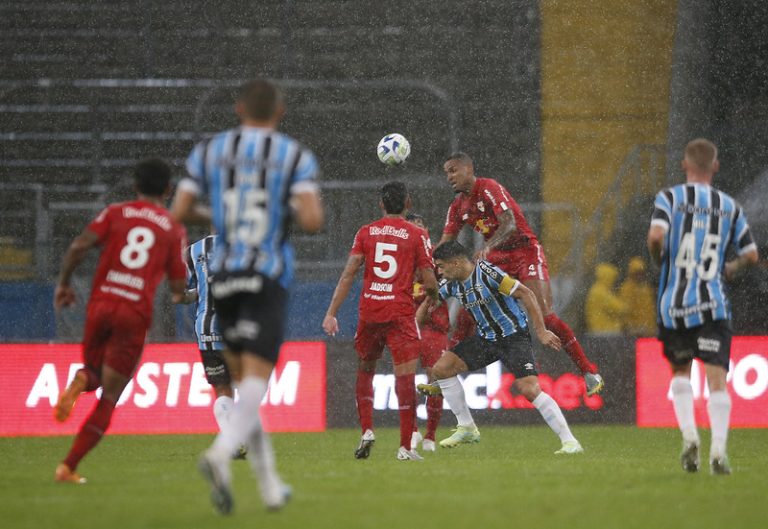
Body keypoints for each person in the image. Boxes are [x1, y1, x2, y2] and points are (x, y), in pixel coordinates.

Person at [171, 79, 324, 512]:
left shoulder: (208, 152)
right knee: (256, 381)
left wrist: (221, 213)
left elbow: (180, 212)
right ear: (280, 111)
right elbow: (312, 220)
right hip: (265, 274)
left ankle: (270, 487)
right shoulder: (293, 155)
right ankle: (220, 454)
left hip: (223, 279)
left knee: (240, 384)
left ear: (239, 108)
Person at [52, 158, 188, 483]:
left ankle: (83, 379)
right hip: (133, 313)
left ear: (135, 186)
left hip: (100, 306)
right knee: (110, 395)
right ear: (168, 190)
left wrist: (64, 283)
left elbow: (78, 246)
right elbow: (178, 286)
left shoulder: (116, 213)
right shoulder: (172, 228)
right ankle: (67, 466)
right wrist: (179, 293)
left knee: (96, 372)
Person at [439, 152, 604, 396]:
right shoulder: (457, 207)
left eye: (453, 170)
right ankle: (449, 360)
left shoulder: (489, 188)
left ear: (468, 169)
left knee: (545, 315)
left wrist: (487, 246)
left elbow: (510, 223)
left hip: (524, 250)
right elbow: (444, 245)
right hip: (497, 256)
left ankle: (589, 371)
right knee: (469, 303)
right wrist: (424, 265)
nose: (449, 177)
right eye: (446, 173)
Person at [647, 138, 758, 475]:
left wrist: (659, 262)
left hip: (673, 306)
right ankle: (719, 451)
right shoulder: (730, 206)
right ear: (715, 166)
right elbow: (751, 255)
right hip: (712, 305)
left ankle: (690, 437)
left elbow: (655, 237)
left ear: (685, 165)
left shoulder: (669, 198)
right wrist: (731, 268)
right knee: (717, 381)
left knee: (680, 373)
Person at [417, 241, 583, 454]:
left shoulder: (486, 273)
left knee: (529, 389)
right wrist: (413, 331)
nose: (438, 271)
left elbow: (526, 294)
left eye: (440, 266)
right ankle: (467, 427)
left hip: (514, 337)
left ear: (456, 263)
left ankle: (570, 442)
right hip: (487, 340)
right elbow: (428, 303)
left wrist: (541, 331)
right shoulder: (452, 284)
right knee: (441, 369)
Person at [322, 183, 438, 462]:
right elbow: (430, 279)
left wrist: (331, 312)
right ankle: (405, 447)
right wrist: (431, 295)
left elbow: (349, 274)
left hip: (370, 311)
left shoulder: (366, 232)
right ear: (408, 203)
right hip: (399, 314)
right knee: (405, 378)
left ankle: (366, 429)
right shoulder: (417, 234)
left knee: (366, 369)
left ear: (381, 205)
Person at [179, 234, 245, 457]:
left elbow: (178, 294)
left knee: (222, 388)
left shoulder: (193, 250)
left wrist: (198, 292)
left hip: (206, 329)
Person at [405, 212, 445, 452]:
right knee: (406, 379)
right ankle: (412, 431)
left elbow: (444, 288)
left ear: (426, 229)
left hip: (434, 327)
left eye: (419, 225)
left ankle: (430, 435)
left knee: (435, 379)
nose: (416, 230)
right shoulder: (399, 260)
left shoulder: (437, 259)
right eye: (411, 227)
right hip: (407, 326)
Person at [584, 263, 628, 336]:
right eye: (613, 278)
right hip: (605, 332)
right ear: (607, 277)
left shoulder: (597, 289)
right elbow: (620, 309)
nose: (614, 281)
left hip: (599, 330)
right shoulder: (601, 292)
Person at [617, 256, 656, 336]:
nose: (640, 276)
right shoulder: (627, 289)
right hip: (635, 334)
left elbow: (650, 310)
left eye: (641, 273)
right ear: (631, 273)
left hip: (649, 332)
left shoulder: (645, 287)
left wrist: (652, 328)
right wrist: (630, 328)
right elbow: (625, 311)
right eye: (637, 273)